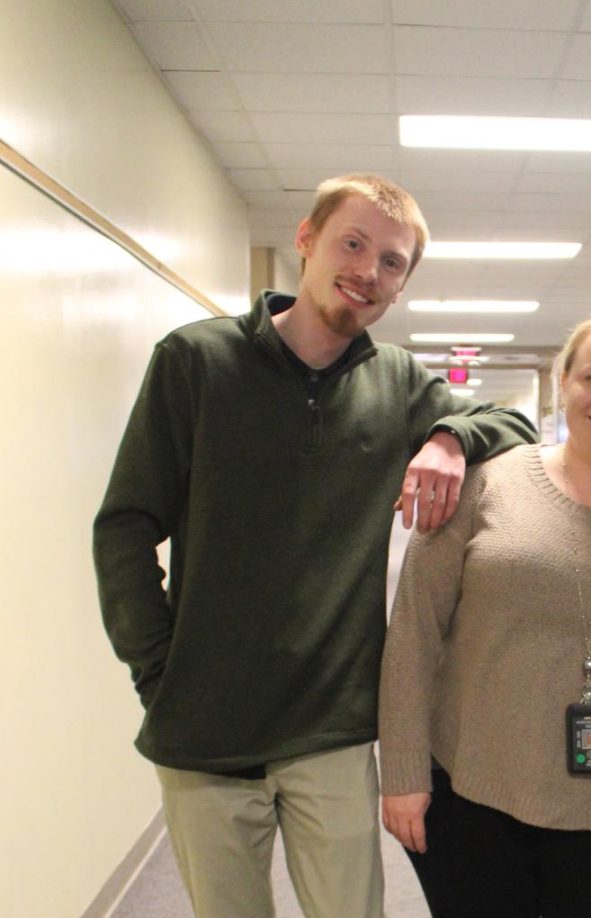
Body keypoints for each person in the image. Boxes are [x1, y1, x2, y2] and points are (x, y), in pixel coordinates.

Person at [93, 173, 537, 918]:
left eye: (392, 262)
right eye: (353, 244)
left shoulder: (394, 382)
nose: (369, 271)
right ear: (306, 240)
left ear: (402, 285)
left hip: (329, 728)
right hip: (202, 726)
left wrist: (447, 437)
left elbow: (514, 426)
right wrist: (156, 669)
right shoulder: (197, 361)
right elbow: (126, 526)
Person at [378, 311, 591, 917]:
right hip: (473, 799)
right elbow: (413, 634)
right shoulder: (481, 485)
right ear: (564, 385)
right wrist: (401, 771)